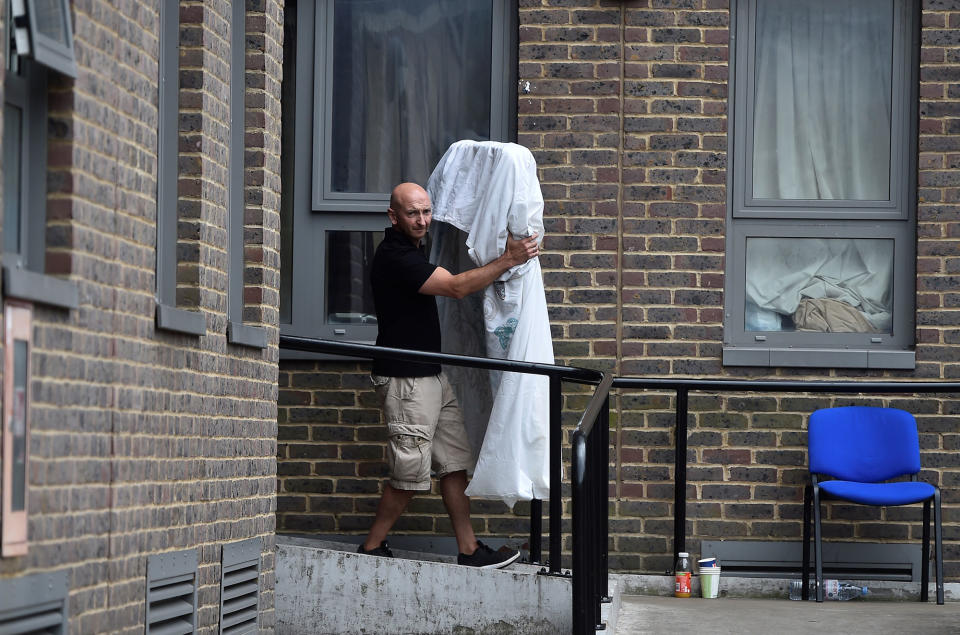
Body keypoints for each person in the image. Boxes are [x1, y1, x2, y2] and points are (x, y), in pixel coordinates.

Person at [357, 182, 539, 568]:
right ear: (394, 216)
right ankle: (373, 546)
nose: (422, 220)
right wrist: (508, 259)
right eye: (412, 213)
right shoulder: (394, 256)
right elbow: (456, 288)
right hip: (407, 380)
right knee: (410, 472)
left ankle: (469, 550)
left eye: (426, 211)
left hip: (432, 376)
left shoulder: (414, 249)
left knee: (455, 464)